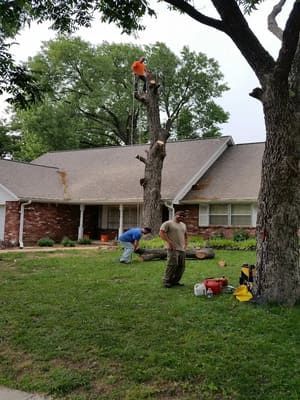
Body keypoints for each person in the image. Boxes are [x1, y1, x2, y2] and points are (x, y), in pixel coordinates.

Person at [159, 210, 188, 288]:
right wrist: (169, 242)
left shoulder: (183, 225)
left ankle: (175, 281)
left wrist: (186, 244)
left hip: (181, 248)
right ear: (175, 215)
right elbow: (161, 233)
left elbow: (185, 235)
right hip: (172, 248)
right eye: (180, 215)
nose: (181, 217)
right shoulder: (168, 223)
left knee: (181, 266)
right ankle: (166, 281)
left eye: (183, 216)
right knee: (172, 265)